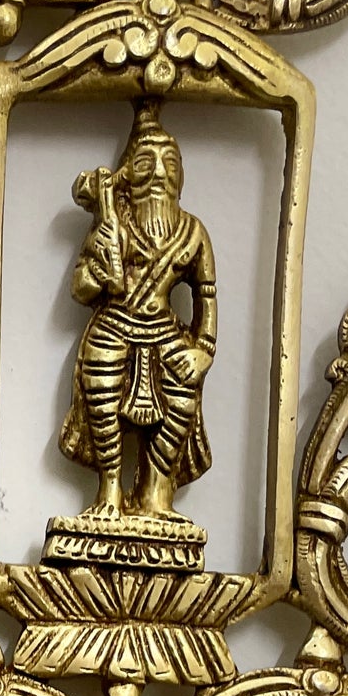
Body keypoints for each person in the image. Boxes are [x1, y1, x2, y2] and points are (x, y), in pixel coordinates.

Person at [61, 100, 218, 519]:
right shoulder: (111, 225)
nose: (160, 175)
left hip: (166, 331)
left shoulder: (193, 232)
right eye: (147, 164)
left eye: (171, 164)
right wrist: (99, 274)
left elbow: (206, 295)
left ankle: (155, 494)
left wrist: (202, 350)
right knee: (101, 387)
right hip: (114, 325)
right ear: (128, 174)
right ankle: (109, 490)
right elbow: (80, 287)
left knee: (182, 397)